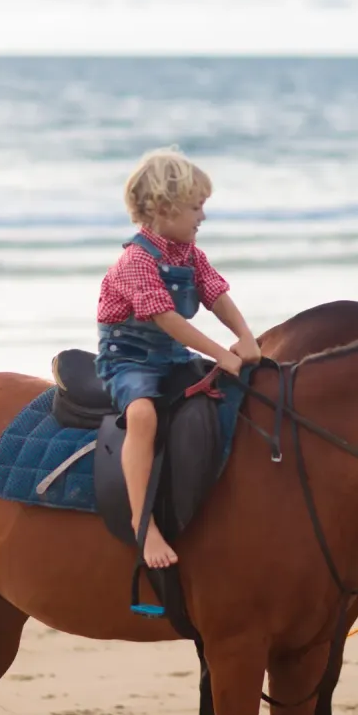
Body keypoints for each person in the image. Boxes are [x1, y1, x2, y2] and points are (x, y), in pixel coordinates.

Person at [94, 146, 259, 570]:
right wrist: (220, 352)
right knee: (143, 415)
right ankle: (142, 520)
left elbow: (216, 295)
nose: (202, 217)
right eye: (195, 207)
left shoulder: (189, 254)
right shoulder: (135, 261)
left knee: (229, 395)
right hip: (129, 359)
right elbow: (166, 318)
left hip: (170, 355)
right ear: (163, 208)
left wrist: (245, 338)